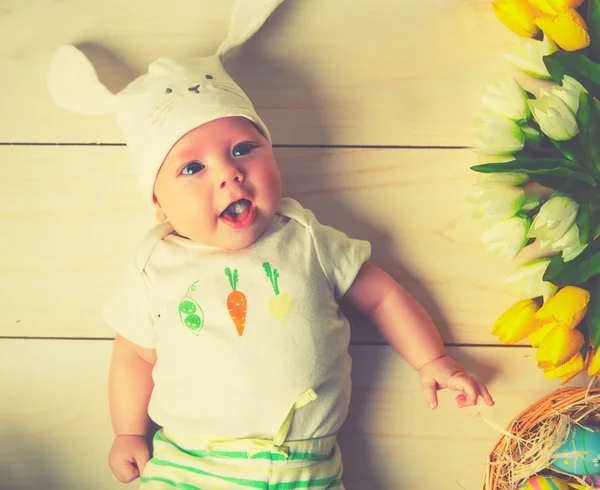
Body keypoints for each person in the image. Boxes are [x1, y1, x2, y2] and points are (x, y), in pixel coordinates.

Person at [46, 3, 494, 488]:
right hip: (192, 463)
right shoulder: (157, 263)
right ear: (159, 204)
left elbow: (382, 295)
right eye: (192, 169)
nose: (229, 173)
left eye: (243, 149)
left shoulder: (306, 239)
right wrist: (128, 432)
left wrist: (432, 360)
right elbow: (134, 354)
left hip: (307, 468)